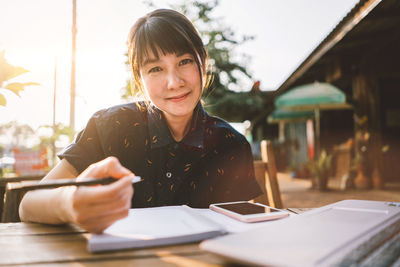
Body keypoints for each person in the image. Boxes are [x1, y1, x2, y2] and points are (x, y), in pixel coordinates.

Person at [19, 9, 262, 233]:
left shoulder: (232, 145)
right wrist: (70, 203)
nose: (173, 82)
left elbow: (244, 228)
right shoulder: (108, 127)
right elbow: (28, 205)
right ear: (139, 78)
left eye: (184, 62)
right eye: (155, 69)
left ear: (202, 61)